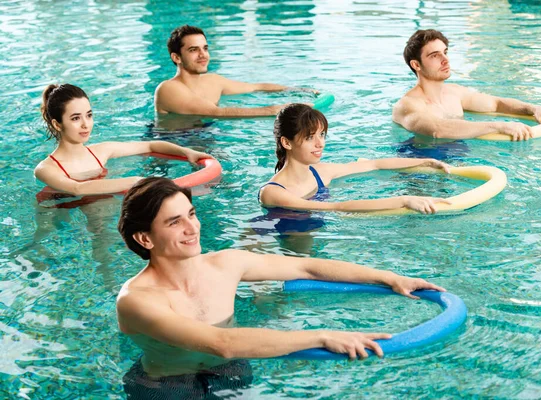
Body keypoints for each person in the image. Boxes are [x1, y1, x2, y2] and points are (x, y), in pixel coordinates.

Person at [116, 177, 444, 395]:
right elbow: (221, 342)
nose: (192, 227)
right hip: (165, 383)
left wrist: (389, 277)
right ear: (145, 238)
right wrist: (322, 336)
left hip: (230, 367)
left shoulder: (224, 264)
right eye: (175, 222)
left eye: (191, 214)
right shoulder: (137, 300)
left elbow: (307, 266)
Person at [259, 104, 452, 214]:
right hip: (285, 236)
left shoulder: (320, 172)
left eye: (322, 135)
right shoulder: (273, 193)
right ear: (287, 142)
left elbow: (374, 164)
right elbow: (337, 207)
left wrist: (425, 161)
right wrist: (404, 200)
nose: (320, 144)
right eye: (310, 137)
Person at [34, 83, 213, 198]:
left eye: (89, 115)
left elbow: (150, 145)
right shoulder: (46, 169)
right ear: (57, 124)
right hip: (61, 214)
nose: (85, 125)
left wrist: (187, 151)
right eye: (75, 118)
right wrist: (136, 181)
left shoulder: (101, 152)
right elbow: (77, 189)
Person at [392, 29, 541, 141]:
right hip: (419, 164)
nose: (446, 60)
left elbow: (496, 104)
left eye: (445, 52)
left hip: (458, 153)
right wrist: (500, 126)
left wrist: (533, 109)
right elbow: (438, 130)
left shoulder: (454, 93)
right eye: (435, 55)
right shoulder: (407, 105)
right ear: (416, 65)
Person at [155, 25, 313, 117]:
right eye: (193, 50)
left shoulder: (213, 81)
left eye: (205, 48)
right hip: (172, 143)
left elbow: (256, 87)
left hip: (205, 135)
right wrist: (274, 110)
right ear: (177, 57)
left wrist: (298, 90)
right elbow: (218, 113)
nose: (203, 55)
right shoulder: (168, 89)